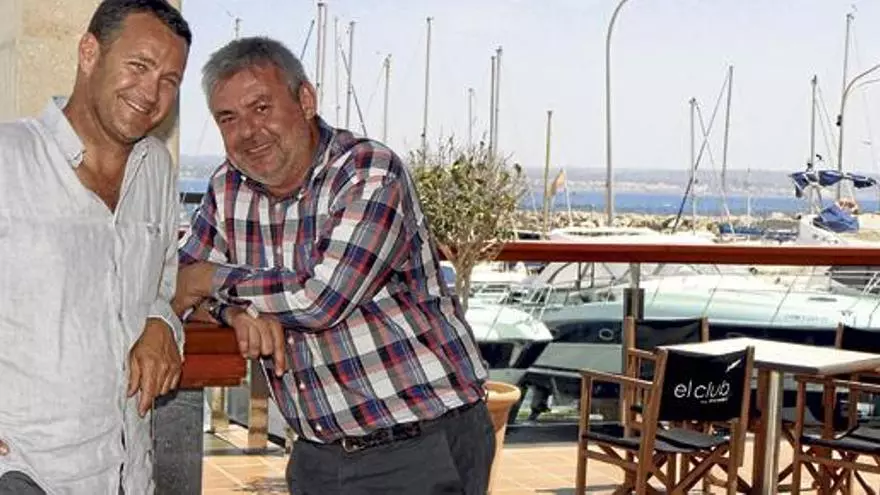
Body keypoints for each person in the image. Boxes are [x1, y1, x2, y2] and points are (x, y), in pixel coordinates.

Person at [175, 36, 496, 494]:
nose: (248, 131)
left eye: (261, 108)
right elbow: (175, 286)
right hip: (317, 456)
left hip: (418, 443)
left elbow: (319, 299)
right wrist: (233, 313)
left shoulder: (368, 171)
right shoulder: (228, 187)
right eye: (229, 118)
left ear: (305, 100)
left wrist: (209, 279)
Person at [0, 1, 191, 493]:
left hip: (129, 473)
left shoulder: (157, 169)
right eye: (139, 65)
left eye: (169, 80)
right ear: (89, 53)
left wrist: (160, 322)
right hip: (27, 471)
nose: (151, 93)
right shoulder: (8, 158)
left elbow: (162, 281)